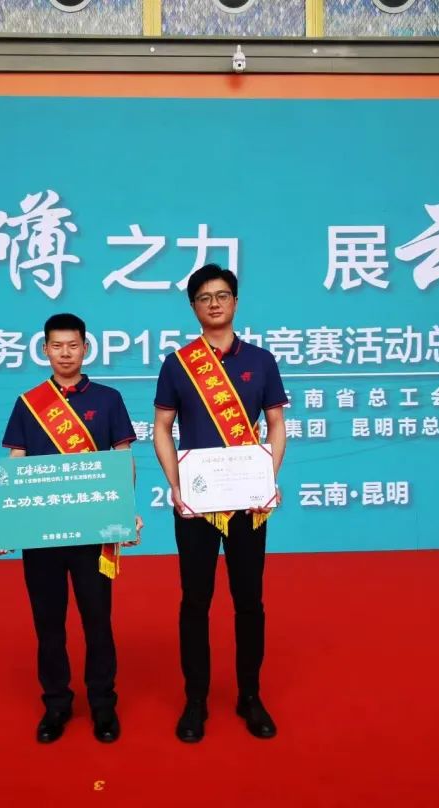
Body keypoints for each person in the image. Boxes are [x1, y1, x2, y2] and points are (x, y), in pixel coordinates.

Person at [0, 313, 141, 744]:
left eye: (73, 345)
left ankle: (103, 705)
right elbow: (15, 462)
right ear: (45, 350)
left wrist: (125, 511)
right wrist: (0, 519)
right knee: (48, 622)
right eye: (57, 346)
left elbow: (122, 459)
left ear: (86, 349)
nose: (65, 353)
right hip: (41, 533)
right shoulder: (29, 403)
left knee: (97, 621)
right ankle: (56, 704)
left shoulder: (108, 399)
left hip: (93, 532)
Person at [152, 264, 287, 743]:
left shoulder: (262, 361)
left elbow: (276, 424)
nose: (214, 303)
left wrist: (266, 479)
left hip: (248, 503)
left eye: (222, 295)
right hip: (197, 502)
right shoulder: (178, 364)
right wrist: (176, 485)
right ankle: (195, 701)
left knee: (249, 600)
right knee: (195, 601)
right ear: (193, 307)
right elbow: (161, 428)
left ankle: (250, 696)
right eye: (204, 297)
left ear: (235, 301)